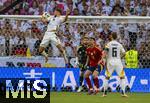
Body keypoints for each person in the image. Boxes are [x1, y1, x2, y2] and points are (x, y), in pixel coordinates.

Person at [103, 32, 127, 97]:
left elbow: (105, 52)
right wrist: (120, 57)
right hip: (118, 62)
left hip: (110, 62)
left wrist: (104, 59)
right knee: (122, 77)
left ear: (111, 36)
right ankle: (123, 93)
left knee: (107, 77)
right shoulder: (119, 44)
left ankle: (105, 93)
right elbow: (124, 53)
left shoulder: (109, 44)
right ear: (116, 37)